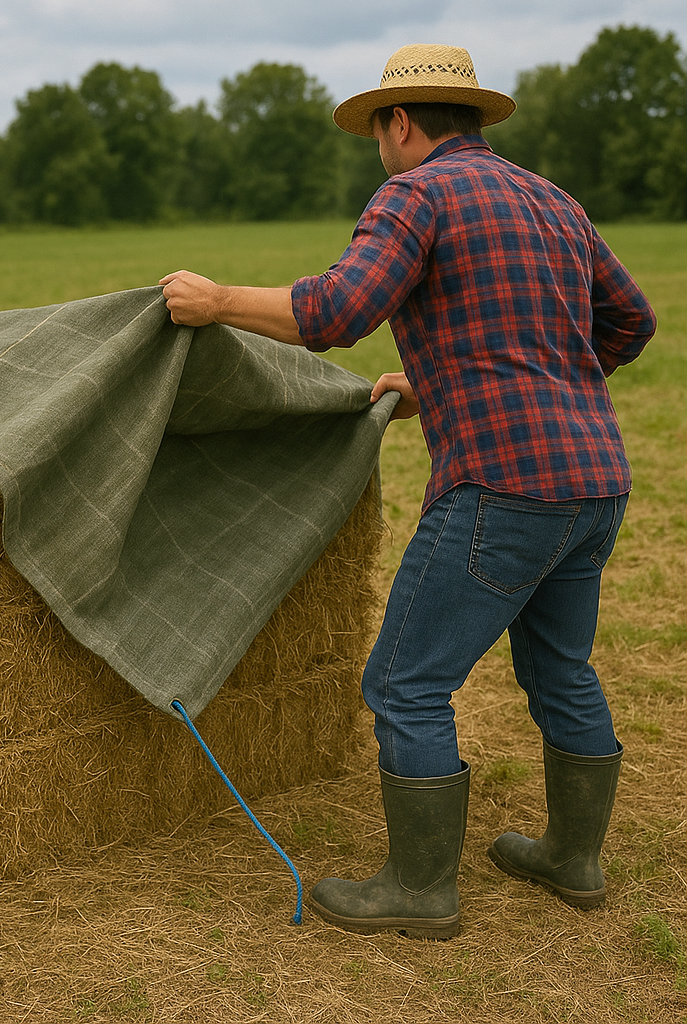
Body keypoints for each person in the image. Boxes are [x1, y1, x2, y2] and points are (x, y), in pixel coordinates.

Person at [159, 43, 656, 940]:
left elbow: (337, 313)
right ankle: (575, 861)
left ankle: (421, 889)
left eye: (377, 131)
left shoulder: (415, 193)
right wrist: (524, 382)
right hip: (595, 484)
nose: (377, 149)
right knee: (563, 670)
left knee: (404, 683)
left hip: (503, 485)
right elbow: (631, 319)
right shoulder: (552, 199)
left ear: (401, 122)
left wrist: (217, 297)